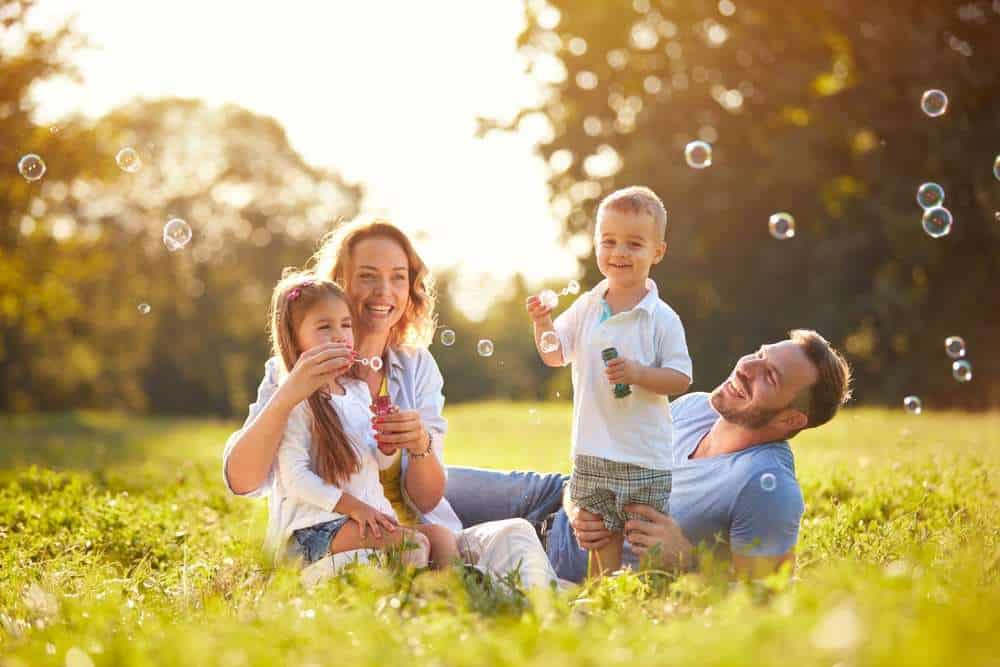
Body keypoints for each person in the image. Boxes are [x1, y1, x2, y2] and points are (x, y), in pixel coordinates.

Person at [222, 218, 556, 588]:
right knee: (408, 561)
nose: (385, 291)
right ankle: (468, 596)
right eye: (367, 276)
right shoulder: (293, 372)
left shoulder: (415, 367)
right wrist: (287, 395)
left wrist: (418, 445)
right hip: (336, 538)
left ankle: (546, 610)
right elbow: (242, 481)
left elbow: (427, 500)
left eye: (398, 277)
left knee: (516, 533)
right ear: (339, 284)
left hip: (414, 531)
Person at [444, 329, 852, 581]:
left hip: (567, 559)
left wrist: (687, 562)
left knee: (426, 547)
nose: (748, 367)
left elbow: (765, 605)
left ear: (789, 420)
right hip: (551, 496)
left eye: (770, 376)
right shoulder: (695, 407)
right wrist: (575, 501)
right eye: (760, 354)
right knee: (415, 481)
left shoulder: (768, 488)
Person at [526, 186, 692, 576]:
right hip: (593, 448)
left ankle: (656, 592)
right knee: (599, 536)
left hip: (644, 453)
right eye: (609, 241)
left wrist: (639, 374)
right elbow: (553, 353)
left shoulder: (661, 318)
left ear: (657, 252)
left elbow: (681, 377)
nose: (619, 253)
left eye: (634, 244)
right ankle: (603, 598)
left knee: (644, 533)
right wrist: (542, 323)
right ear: (597, 245)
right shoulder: (587, 306)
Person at [265, 272, 458, 568]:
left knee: (442, 537)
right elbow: (295, 478)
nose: (340, 335)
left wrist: (387, 444)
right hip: (314, 529)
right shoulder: (294, 400)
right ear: (295, 338)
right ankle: (415, 600)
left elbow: (376, 463)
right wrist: (354, 507)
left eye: (345, 325)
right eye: (324, 327)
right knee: (412, 543)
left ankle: (450, 593)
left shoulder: (356, 392)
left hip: (359, 519)